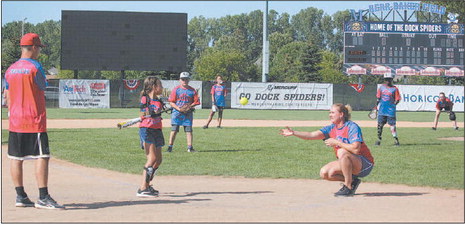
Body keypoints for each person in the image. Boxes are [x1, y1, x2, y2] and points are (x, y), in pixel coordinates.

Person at [4, 33, 64, 209]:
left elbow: (6, 96)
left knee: (16, 158)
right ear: (34, 48)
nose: (39, 52)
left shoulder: (10, 69)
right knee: (42, 156)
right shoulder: (35, 67)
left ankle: (20, 195)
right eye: (39, 48)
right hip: (33, 120)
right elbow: (42, 86)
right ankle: (43, 197)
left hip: (15, 121)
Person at [280, 104, 374, 196]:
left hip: (364, 164)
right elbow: (311, 135)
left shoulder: (352, 126)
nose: (330, 115)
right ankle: (353, 181)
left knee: (342, 151)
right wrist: (294, 133)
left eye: (333, 112)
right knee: (325, 173)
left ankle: (348, 187)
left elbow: (356, 149)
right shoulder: (331, 128)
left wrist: (337, 142)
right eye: (330, 112)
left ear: (341, 114)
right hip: (348, 161)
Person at [137, 76, 165, 197]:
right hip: (147, 129)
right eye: (160, 85)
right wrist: (151, 113)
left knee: (158, 160)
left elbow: (161, 111)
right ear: (154, 86)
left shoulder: (159, 101)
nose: (162, 88)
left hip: (157, 130)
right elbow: (143, 112)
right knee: (151, 158)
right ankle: (143, 188)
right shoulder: (145, 99)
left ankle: (148, 185)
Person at [166, 72, 200, 153]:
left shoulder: (192, 90)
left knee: (188, 130)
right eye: (183, 79)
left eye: (186, 79)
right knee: (174, 130)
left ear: (189, 80)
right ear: (179, 80)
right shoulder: (176, 89)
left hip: (187, 114)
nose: (184, 81)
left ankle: (190, 147)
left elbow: (196, 102)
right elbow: (171, 102)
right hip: (177, 113)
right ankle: (170, 147)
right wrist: (179, 109)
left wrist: (189, 106)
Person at [375, 73, 401, 146]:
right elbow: (378, 98)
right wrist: (376, 106)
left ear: (391, 79)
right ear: (384, 80)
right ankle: (379, 140)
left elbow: (398, 99)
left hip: (390, 111)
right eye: (386, 79)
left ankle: (396, 140)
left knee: (392, 126)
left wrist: (393, 104)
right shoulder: (381, 88)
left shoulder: (395, 89)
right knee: (380, 125)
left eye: (389, 79)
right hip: (382, 110)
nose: (388, 81)